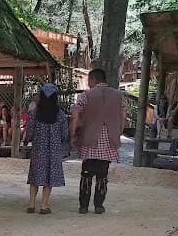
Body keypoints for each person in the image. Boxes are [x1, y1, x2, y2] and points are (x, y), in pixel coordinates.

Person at [69, 68, 126, 215]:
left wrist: (73, 133)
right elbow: (123, 115)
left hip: (89, 139)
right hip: (109, 141)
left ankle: (83, 206)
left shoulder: (86, 95)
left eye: (89, 80)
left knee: (86, 174)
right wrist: (118, 131)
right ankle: (99, 205)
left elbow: (75, 114)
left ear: (93, 80)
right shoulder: (119, 95)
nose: (88, 83)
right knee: (103, 175)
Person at [27, 83, 67, 214]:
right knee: (49, 178)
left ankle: (31, 204)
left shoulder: (34, 113)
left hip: (38, 149)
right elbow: (64, 134)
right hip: (53, 150)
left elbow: (29, 132)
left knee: (35, 176)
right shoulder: (60, 114)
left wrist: (30, 139)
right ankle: (44, 206)